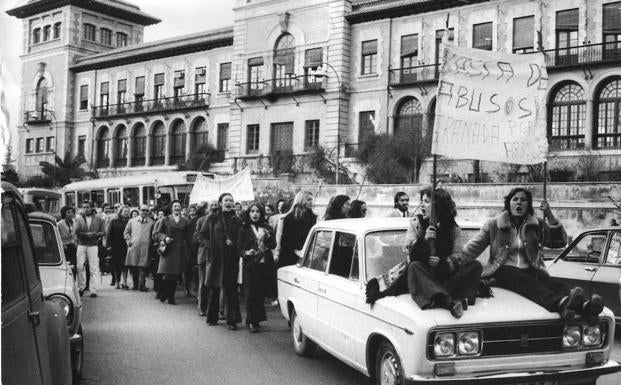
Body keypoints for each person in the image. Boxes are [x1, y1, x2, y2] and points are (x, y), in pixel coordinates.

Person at [461, 187, 603, 322]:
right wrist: (453, 262)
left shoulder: (536, 225)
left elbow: (559, 242)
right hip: (502, 273)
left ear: (528, 205)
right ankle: (560, 303)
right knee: (514, 274)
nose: (519, 202)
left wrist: (549, 215)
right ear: (508, 203)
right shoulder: (493, 225)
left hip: (530, 272)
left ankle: (585, 306)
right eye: (515, 199)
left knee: (550, 281)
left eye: (523, 200)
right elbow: (472, 249)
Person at [366, 188, 482, 318]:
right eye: (421, 201)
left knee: (475, 265)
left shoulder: (453, 228)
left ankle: (441, 293)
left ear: (438, 206)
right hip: (423, 275)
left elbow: (458, 255)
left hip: (445, 275)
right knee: (414, 267)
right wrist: (424, 240)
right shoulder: (416, 224)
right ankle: (446, 300)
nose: (421, 205)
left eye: (426, 201)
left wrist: (443, 263)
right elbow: (409, 252)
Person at [199, 193, 243, 328]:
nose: (229, 203)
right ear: (220, 203)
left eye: (231, 200)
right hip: (216, 258)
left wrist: (235, 244)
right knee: (215, 289)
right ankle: (212, 318)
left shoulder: (237, 220)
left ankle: (232, 321)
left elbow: (241, 238)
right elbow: (202, 235)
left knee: (231, 290)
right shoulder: (211, 218)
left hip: (231, 259)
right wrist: (210, 247)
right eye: (226, 200)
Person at [238, 203, 276, 333]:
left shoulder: (267, 227)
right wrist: (246, 253)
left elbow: (273, 244)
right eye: (252, 211)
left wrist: (268, 236)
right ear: (248, 213)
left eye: (258, 211)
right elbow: (238, 248)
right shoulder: (244, 229)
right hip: (250, 264)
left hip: (265, 264)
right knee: (250, 293)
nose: (255, 214)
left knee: (260, 293)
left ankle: (257, 319)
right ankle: (250, 320)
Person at [155, 200, 191, 305]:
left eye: (179, 206)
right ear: (171, 208)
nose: (177, 208)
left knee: (175, 275)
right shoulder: (165, 220)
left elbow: (187, 236)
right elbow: (158, 233)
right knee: (167, 274)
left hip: (179, 250)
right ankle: (163, 292)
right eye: (175, 206)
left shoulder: (185, 221)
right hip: (168, 249)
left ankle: (171, 297)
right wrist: (165, 238)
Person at [276, 191, 317, 269]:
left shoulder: (313, 217)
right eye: (308, 199)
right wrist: (296, 251)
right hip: (289, 256)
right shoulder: (289, 218)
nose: (311, 202)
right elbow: (285, 239)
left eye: (312, 199)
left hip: (306, 256)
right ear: (301, 200)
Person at [74, 200, 106, 297]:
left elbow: (103, 232)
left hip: (93, 244)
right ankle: (81, 287)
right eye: (84, 207)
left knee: (93, 267)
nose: (85, 209)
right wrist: (86, 234)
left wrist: (96, 235)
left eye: (87, 207)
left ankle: (93, 289)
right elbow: (76, 231)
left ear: (92, 208)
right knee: (79, 266)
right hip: (82, 243)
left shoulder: (99, 219)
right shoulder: (79, 219)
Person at [124, 204, 154, 292]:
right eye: (143, 210)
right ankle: (135, 284)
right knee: (134, 267)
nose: (144, 212)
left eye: (146, 210)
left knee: (143, 266)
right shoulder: (132, 221)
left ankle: (142, 285)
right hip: (134, 247)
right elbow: (126, 232)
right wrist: (128, 241)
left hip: (146, 248)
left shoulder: (151, 222)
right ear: (139, 210)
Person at [106, 205, 130, 289]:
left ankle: (125, 282)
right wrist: (108, 245)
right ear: (120, 212)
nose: (126, 213)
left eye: (128, 211)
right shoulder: (114, 221)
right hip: (115, 245)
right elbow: (109, 234)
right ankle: (117, 282)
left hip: (126, 245)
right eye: (125, 211)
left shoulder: (130, 221)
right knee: (116, 265)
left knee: (125, 264)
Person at [58, 205, 77, 276]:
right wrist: (62, 244)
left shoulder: (74, 222)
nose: (71, 214)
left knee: (74, 266)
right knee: (67, 266)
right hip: (65, 247)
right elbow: (58, 236)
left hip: (73, 246)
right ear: (64, 213)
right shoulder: (60, 224)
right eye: (68, 212)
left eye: (72, 212)